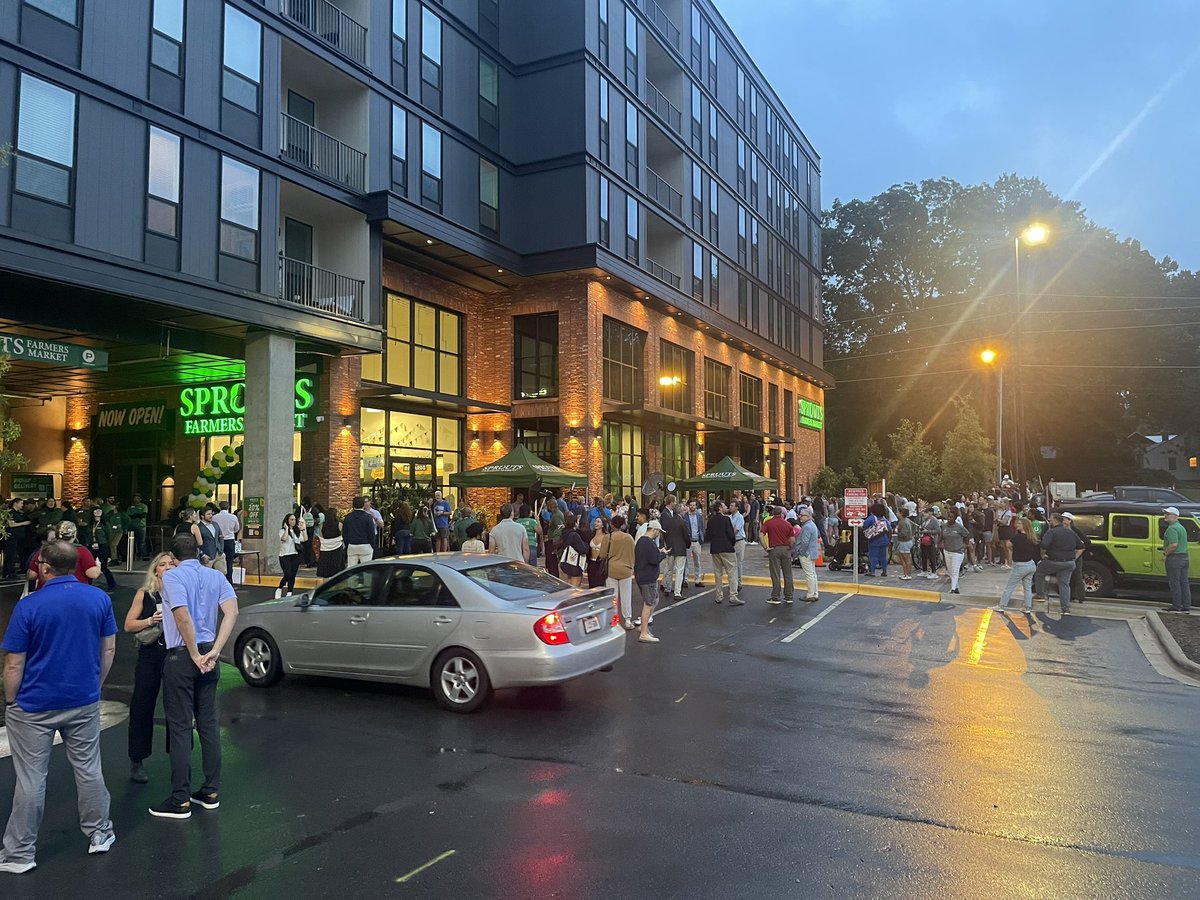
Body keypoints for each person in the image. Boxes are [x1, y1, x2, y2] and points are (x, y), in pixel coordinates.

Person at [0, 541, 118, 873]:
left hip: (34, 705)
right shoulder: (98, 599)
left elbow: (13, 664)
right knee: (89, 768)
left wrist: (11, 700)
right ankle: (100, 834)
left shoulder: (29, 606)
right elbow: (107, 650)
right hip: (82, 700)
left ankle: (19, 854)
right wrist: (94, 686)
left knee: (31, 779)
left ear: (45, 567)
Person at [150, 534, 238, 819]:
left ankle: (180, 799)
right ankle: (210, 791)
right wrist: (214, 650)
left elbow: (181, 616)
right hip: (209, 655)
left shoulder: (173, 578)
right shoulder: (215, 576)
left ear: (174, 557)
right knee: (209, 725)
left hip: (182, 656)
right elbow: (231, 611)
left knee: (180, 728)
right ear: (198, 550)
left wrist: (194, 653)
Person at [124, 553, 175, 784]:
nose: (167, 568)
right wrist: (150, 620)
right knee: (142, 704)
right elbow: (128, 625)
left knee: (177, 706)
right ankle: (137, 759)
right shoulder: (145, 595)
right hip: (150, 654)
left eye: (171, 564)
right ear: (155, 571)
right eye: (162, 565)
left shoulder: (183, 592)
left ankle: (178, 756)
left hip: (175, 655)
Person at [1033, 511, 1084, 615]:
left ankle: (1040, 594)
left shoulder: (1052, 532)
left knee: (1039, 572)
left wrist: (1043, 556)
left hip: (1054, 561)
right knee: (1064, 584)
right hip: (1069, 563)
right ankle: (1065, 608)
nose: (1049, 521)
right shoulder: (1071, 532)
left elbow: (1044, 545)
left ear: (1055, 520)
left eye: (1051, 519)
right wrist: (1074, 558)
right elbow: (1081, 546)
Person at [27, 521, 101, 587]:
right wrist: (98, 567)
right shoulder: (82, 551)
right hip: (75, 591)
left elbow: (31, 575)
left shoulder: (44, 550)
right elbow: (92, 574)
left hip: (48, 591)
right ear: (74, 535)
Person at [993, 518, 1040, 614]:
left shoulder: (1017, 537)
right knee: (1027, 587)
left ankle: (1002, 605)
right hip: (1031, 564)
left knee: (1010, 586)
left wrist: (1014, 550)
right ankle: (1027, 607)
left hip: (1020, 566)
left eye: (1019, 523)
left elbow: (1008, 544)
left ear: (1024, 525)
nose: (1016, 525)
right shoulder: (1032, 537)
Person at [633, 519, 667, 643]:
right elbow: (655, 559)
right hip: (648, 578)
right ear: (655, 530)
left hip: (642, 576)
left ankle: (644, 626)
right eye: (658, 531)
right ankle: (643, 632)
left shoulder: (641, 541)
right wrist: (663, 554)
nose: (658, 534)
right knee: (648, 604)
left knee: (654, 600)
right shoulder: (649, 543)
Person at [603, 515, 636, 629]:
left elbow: (602, 555)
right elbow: (633, 554)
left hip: (611, 569)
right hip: (626, 570)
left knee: (613, 597)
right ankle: (627, 620)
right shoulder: (629, 538)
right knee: (626, 596)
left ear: (612, 525)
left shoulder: (607, 537)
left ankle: (614, 620)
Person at [707, 500, 742, 606]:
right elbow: (731, 535)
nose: (726, 507)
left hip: (715, 549)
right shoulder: (726, 519)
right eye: (724, 506)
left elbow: (708, 535)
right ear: (720, 508)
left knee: (718, 573)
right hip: (727, 548)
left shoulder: (711, 520)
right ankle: (733, 595)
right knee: (732, 572)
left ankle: (719, 595)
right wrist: (731, 543)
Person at [761, 506, 796, 605]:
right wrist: (790, 548)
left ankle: (776, 596)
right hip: (786, 549)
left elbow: (761, 535)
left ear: (772, 513)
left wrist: (765, 547)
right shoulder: (787, 524)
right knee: (788, 573)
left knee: (775, 574)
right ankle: (788, 596)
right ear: (781, 514)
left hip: (774, 549)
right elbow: (792, 539)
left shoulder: (768, 523)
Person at [1161, 506, 1192, 613]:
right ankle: (1186, 605)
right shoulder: (1181, 527)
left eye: (1167, 514)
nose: (1165, 515)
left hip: (1174, 559)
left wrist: (1165, 553)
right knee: (1184, 582)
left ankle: (1176, 605)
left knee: (1174, 582)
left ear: (1174, 516)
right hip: (1184, 557)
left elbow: (1173, 544)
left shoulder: (1172, 528)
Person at [659, 496, 690, 601]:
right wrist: (687, 545)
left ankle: (667, 588)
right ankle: (677, 592)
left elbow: (665, 534)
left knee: (669, 568)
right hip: (681, 549)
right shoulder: (682, 522)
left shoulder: (669, 521)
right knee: (679, 571)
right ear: (680, 512)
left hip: (671, 548)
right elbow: (686, 536)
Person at [84, 505, 118, 591]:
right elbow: (87, 534)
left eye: (99, 511)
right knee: (90, 565)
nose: (97, 512)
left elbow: (109, 535)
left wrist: (104, 543)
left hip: (102, 546)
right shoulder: (90, 524)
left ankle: (112, 584)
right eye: (95, 511)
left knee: (103, 566)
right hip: (92, 546)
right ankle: (88, 584)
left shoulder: (105, 523)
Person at [794, 507, 822, 602]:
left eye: (802, 515)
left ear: (808, 516)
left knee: (809, 574)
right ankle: (814, 593)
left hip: (806, 553)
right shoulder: (812, 525)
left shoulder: (806, 527)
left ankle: (810, 594)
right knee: (813, 573)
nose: (800, 517)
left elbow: (804, 542)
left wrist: (801, 552)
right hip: (812, 552)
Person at [940, 510, 971, 594]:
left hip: (957, 552)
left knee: (955, 570)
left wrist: (965, 544)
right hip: (947, 551)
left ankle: (952, 589)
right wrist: (939, 543)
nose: (949, 519)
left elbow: (967, 534)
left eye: (951, 517)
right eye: (948, 517)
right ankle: (956, 587)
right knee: (950, 570)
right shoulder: (944, 526)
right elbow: (941, 536)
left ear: (955, 518)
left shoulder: (959, 527)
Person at [343, 496, 377, 567]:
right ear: (363, 505)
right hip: (366, 545)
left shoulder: (348, 517)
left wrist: (347, 545)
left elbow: (345, 533)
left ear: (353, 505)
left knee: (351, 569)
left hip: (352, 545)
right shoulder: (368, 517)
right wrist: (372, 545)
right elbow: (371, 533)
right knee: (366, 569)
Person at [276, 514, 304, 596]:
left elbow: (305, 539)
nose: (293, 521)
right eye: (291, 520)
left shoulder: (297, 531)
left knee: (293, 575)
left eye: (295, 520)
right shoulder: (282, 531)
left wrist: (304, 529)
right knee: (287, 574)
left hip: (295, 555)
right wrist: (287, 529)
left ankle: (289, 592)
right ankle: (280, 587)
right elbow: (284, 539)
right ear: (287, 521)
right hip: (284, 555)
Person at [213, 500, 241, 585]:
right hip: (230, 540)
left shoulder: (215, 517)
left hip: (218, 541)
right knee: (229, 562)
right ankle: (229, 582)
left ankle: (219, 582)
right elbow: (237, 529)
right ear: (228, 507)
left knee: (218, 562)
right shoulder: (233, 517)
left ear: (219, 507)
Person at [557, 513, 588, 586]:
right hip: (573, 565)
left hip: (563, 562)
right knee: (574, 589)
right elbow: (583, 550)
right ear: (575, 523)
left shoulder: (563, 532)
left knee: (565, 586)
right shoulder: (574, 535)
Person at [861, 502, 892, 577]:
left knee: (873, 556)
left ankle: (872, 572)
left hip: (873, 540)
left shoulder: (872, 518)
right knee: (883, 557)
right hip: (884, 540)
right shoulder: (884, 519)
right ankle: (884, 571)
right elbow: (890, 529)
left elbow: (864, 524)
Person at [198, 506, 226, 575]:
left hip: (219, 553)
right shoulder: (198, 527)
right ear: (202, 516)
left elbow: (221, 536)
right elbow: (196, 543)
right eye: (208, 514)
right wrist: (202, 555)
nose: (211, 516)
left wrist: (221, 549)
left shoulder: (215, 524)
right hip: (207, 555)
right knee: (206, 575)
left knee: (223, 573)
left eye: (211, 514)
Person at [317, 509, 346, 578]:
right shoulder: (339, 524)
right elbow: (342, 536)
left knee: (325, 571)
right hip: (337, 548)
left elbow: (321, 537)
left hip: (325, 549)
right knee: (337, 569)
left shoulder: (321, 525)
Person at [5, 498, 29, 577]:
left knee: (14, 554)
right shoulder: (11, 513)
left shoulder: (19, 513)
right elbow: (11, 524)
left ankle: (9, 571)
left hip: (18, 537)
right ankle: (9, 571)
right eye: (21, 503)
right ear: (15, 503)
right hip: (12, 537)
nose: (22, 505)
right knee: (11, 554)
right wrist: (24, 523)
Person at [684, 499, 705, 587]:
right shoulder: (684, 516)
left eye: (694, 505)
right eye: (691, 505)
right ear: (688, 506)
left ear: (696, 506)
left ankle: (697, 580)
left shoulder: (699, 516)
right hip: (688, 541)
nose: (692, 507)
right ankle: (685, 580)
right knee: (686, 562)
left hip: (697, 541)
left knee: (697, 561)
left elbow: (702, 528)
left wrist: (701, 539)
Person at [586, 516, 610, 588]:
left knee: (599, 585)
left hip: (601, 564)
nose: (595, 523)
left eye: (598, 522)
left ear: (603, 525)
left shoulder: (606, 537)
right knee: (591, 585)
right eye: (595, 521)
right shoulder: (591, 535)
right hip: (591, 563)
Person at [894, 506, 916, 580]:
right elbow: (914, 526)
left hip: (904, 542)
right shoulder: (907, 520)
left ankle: (908, 574)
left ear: (901, 513)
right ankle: (905, 574)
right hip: (908, 541)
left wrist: (897, 531)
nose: (896, 513)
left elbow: (903, 534)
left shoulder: (902, 522)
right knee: (904, 559)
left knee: (906, 559)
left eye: (898, 512)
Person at [730, 499, 748, 581]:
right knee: (732, 562)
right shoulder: (729, 517)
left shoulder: (740, 517)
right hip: (732, 541)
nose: (730, 507)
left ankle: (738, 581)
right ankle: (733, 580)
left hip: (739, 540)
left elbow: (735, 530)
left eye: (732, 506)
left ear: (737, 507)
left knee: (738, 562)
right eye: (730, 505)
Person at [297, 496, 316, 567]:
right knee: (309, 545)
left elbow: (296, 517)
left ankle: (301, 560)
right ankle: (309, 561)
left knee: (301, 544)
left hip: (301, 529)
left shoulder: (300, 509)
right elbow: (317, 520)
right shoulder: (313, 509)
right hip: (310, 530)